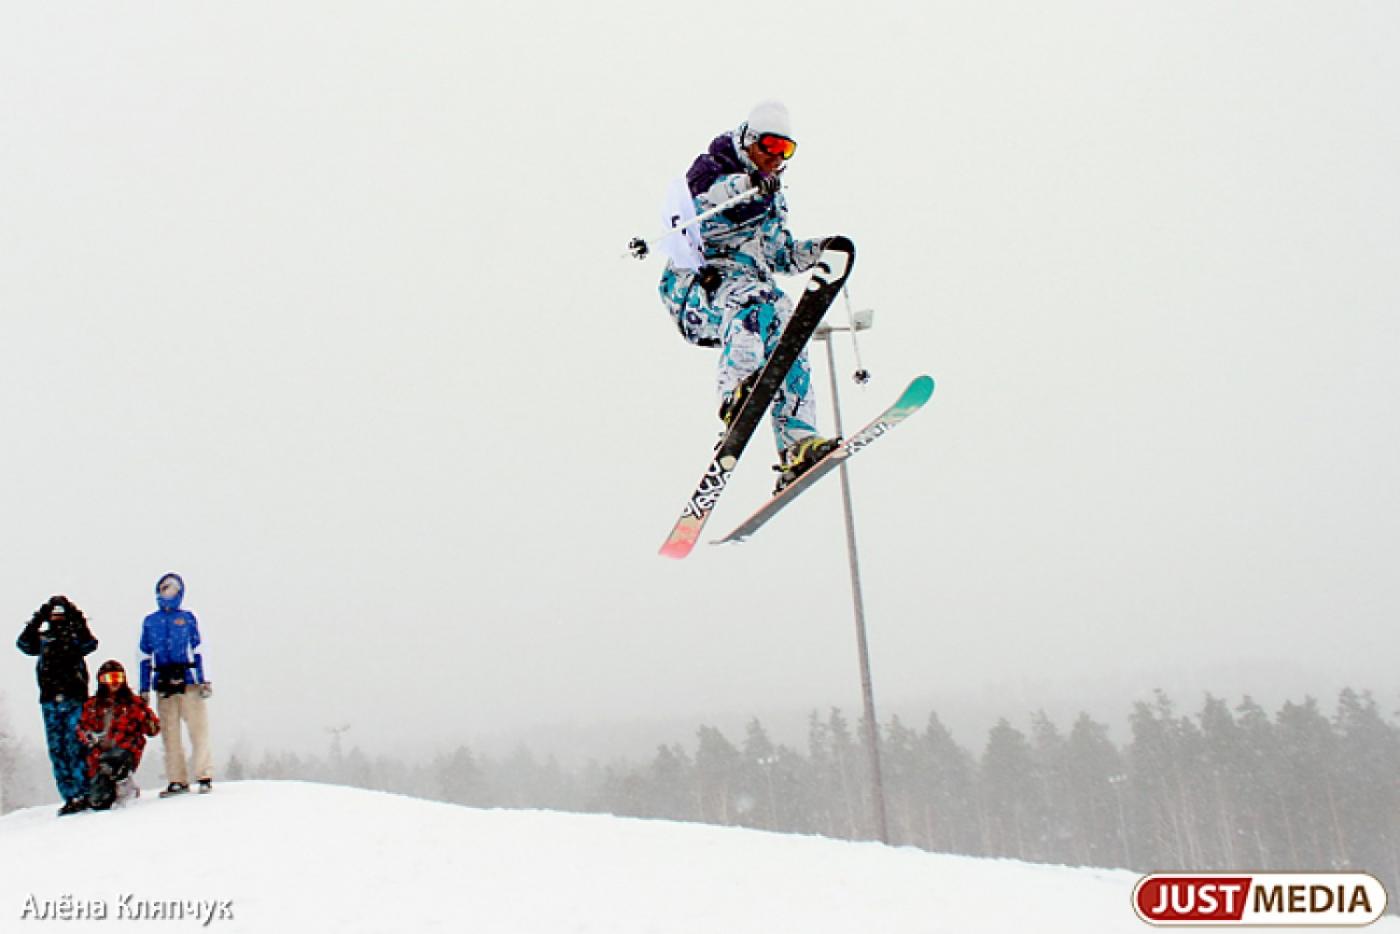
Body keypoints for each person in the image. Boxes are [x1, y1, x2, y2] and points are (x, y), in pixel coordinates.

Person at [657, 99, 841, 491]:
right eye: (770, 145)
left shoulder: (771, 195)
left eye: (785, 150)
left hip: (750, 289)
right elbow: (699, 208)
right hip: (699, 292)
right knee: (753, 301)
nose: (775, 157)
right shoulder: (712, 168)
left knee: (786, 319)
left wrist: (822, 249)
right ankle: (736, 393)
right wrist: (746, 187)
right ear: (748, 140)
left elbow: (781, 256)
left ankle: (798, 443)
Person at [16, 595, 100, 815]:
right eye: (53, 614)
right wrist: (37, 618)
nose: (57, 618)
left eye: (60, 614)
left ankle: (83, 792)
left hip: (74, 699)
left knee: (76, 747)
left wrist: (77, 617)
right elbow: (23, 644)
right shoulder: (44, 638)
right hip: (50, 701)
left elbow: (90, 644)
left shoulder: (75, 636)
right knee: (58, 750)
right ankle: (70, 795)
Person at [138, 572, 214, 796]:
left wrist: (204, 679)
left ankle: (204, 774)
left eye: (172, 589)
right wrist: (144, 687)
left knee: (198, 730)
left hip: (189, 680)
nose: (167, 593)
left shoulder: (188, 618)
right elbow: (144, 654)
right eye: (164, 589)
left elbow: (200, 648)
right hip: (163, 683)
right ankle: (177, 778)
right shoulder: (151, 622)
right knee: (170, 734)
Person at [77, 660, 159, 810]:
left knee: (115, 760)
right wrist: (88, 737)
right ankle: (106, 791)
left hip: (125, 751)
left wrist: (147, 719)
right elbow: (82, 728)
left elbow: (153, 729)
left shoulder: (133, 703)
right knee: (99, 801)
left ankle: (125, 785)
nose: (114, 683)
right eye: (109, 679)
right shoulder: (93, 705)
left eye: (118, 678)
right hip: (100, 756)